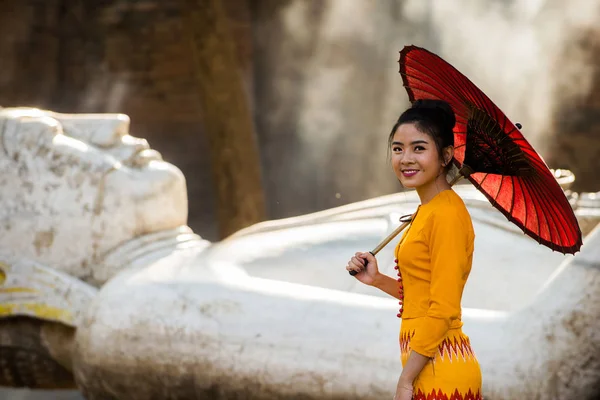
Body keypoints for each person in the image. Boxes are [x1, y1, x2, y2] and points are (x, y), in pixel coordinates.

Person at [346, 100, 482, 400]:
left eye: (419, 148)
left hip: (442, 372)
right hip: (430, 365)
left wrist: (406, 379)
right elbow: (424, 296)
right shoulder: (430, 210)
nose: (406, 158)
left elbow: (444, 307)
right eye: (398, 149)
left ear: (446, 155)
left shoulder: (447, 214)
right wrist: (377, 279)